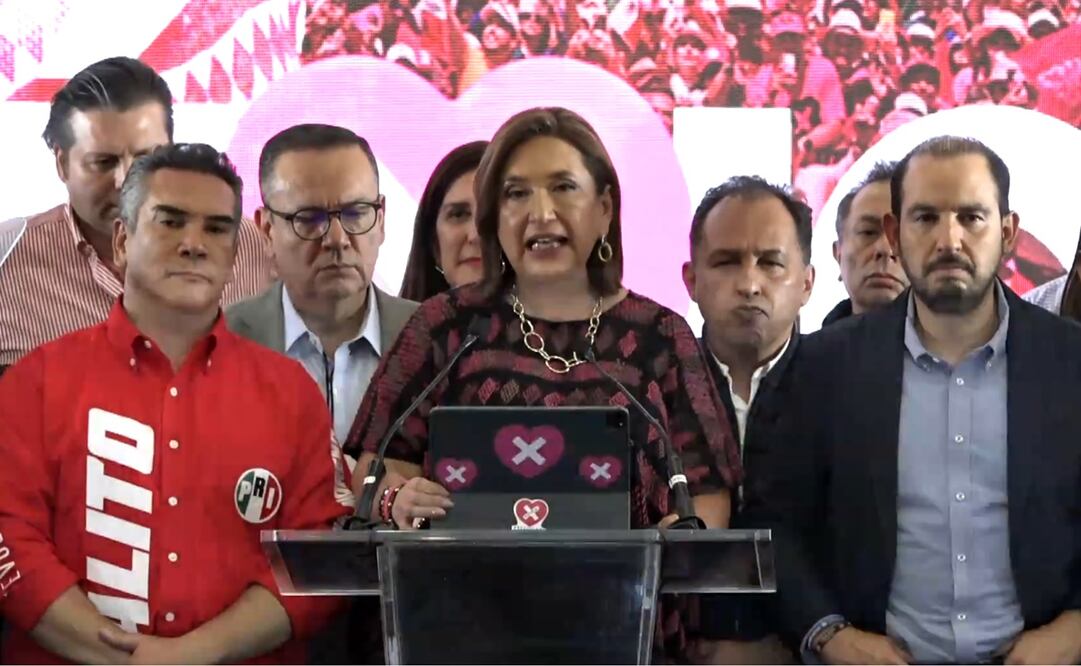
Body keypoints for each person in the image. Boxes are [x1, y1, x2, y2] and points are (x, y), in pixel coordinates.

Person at [344, 106, 741, 658]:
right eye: (516, 194)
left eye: (563, 188)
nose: (541, 212)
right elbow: (379, 470)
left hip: (624, 635)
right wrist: (397, 500)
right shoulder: (445, 328)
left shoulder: (661, 338)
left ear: (604, 209)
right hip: (460, 635)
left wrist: (684, 539)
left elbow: (706, 495)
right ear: (494, 218)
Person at [0, 143, 349, 664]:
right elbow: (10, 538)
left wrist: (191, 655)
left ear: (235, 253)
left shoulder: (292, 394)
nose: (194, 244)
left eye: (215, 228)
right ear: (122, 240)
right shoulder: (37, 382)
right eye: (170, 221)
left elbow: (318, 558)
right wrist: (126, 659)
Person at [757, 136, 1081, 665]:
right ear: (895, 231)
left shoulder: (1072, 364)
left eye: (971, 217)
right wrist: (831, 636)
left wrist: (1075, 629)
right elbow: (774, 524)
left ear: (1009, 233)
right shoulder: (822, 369)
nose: (949, 240)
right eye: (926, 217)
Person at [0, 56, 273, 369]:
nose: (126, 180)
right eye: (103, 163)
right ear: (62, 164)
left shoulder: (253, 246)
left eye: (146, 158)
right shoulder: (8, 262)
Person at [681, 176, 813, 664]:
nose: (750, 283)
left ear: (807, 283)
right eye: (726, 261)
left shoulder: (842, 387)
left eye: (771, 263)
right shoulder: (651, 388)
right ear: (690, 280)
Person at [226, 124, 418, 447]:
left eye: (356, 213)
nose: (337, 240)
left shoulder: (431, 339)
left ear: (381, 219)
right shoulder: (222, 342)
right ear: (267, 230)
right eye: (310, 219)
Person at [399, 141, 489, 301]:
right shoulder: (394, 325)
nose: (475, 235)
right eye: (459, 214)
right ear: (433, 243)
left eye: (491, 214)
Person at [823, 161, 908, 326]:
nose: (885, 249)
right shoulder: (810, 351)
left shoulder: (962, 350)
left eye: (899, 234)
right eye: (868, 232)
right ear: (838, 254)